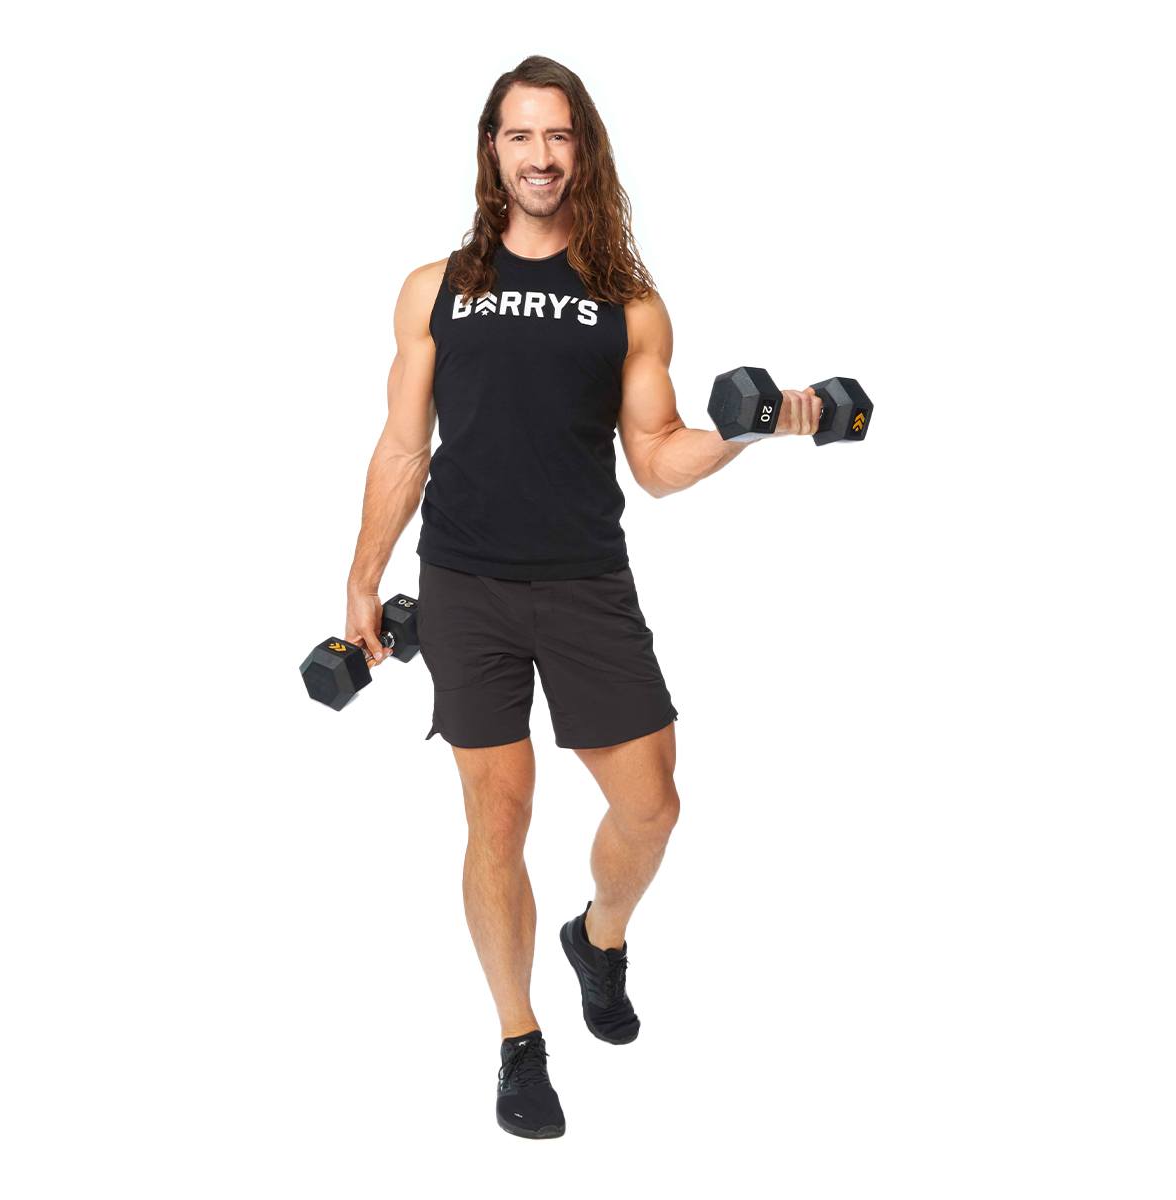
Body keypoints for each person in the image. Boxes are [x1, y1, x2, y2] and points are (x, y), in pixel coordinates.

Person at [341, 55, 823, 1140]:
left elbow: (653, 459)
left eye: (557, 137)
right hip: (461, 583)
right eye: (519, 136)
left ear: (582, 149)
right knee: (496, 817)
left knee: (651, 804)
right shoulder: (437, 287)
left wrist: (751, 429)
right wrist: (363, 577)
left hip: (584, 582)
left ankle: (596, 939)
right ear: (491, 150)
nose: (539, 156)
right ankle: (518, 1041)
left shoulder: (625, 301)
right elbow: (399, 445)